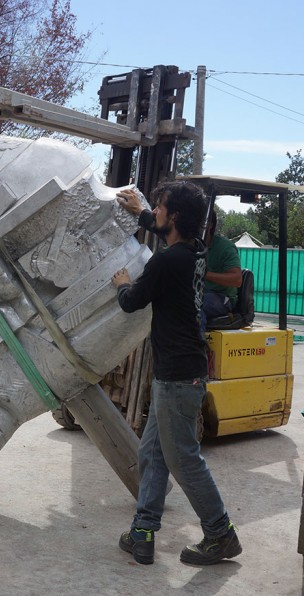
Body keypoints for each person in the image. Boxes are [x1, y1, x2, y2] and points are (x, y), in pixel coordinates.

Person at [111, 181, 241, 566]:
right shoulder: (195, 251)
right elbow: (164, 227)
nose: (158, 213)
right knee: (152, 452)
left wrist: (121, 284)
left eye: (162, 208)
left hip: (178, 378)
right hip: (181, 372)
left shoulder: (166, 262)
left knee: (183, 459)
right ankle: (143, 532)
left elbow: (132, 302)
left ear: (177, 217)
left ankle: (220, 534)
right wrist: (143, 213)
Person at [201, 211, 242, 330]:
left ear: (209, 225)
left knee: (195, 305)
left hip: (222, 298)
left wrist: (205, 274)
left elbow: (237, 279)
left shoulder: (225, 247)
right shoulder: (192, 245)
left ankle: (195, 346)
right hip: (200, 292)